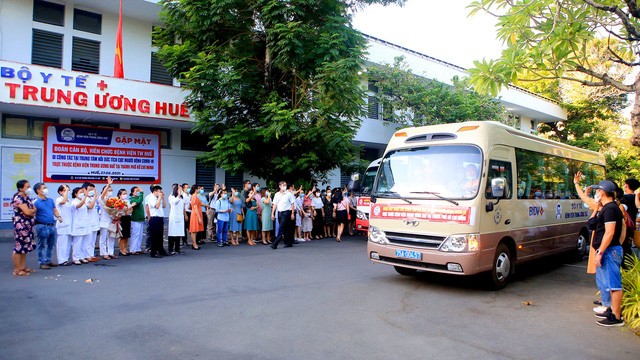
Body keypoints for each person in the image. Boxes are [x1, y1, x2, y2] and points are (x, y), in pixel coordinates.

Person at [590, 180, 625, 327]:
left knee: (614, 285)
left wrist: (601, 252)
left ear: (603, 192)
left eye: (597, 190)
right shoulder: (607, 208)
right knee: (608, 284)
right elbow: (592, 225)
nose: (596, 193)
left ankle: (616, 317)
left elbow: (610, 233)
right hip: (610, 250)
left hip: (609, 251)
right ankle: (611, 310)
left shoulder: (610, 209)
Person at [32, 182, 61, 269]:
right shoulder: (35, 202)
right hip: (41, 226)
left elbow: (54, 210)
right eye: (44, 188)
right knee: (41, 244)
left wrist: (58, 216)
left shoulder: (50, 200)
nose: (46, 189)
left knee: (51, 244)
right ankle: (42, 262)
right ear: (38, 191)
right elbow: (33, 213)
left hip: (52, 225)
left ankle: (48, 260)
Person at [12, 180, 36, 276]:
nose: (29, 188)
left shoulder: (27, 197)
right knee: (19, 246)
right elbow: (28, 212)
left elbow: (34, 209)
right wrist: (31, 211)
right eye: (27, 187)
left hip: (28, 225)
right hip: (21, 225)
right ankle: (17, 270)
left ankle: (23, 267)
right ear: (21, 188)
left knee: (25, 246)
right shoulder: (18, 198)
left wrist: (32, 211)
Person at [271, 181, 296, 249]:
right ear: (280, 186)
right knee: (286, 228)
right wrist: (272, 213)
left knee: (281, 227)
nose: (284, 186)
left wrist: (292, 213)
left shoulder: (289, 194)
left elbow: (292, 204)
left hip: (287, 212)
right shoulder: (277, 194)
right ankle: (289, 242)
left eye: (285, 185)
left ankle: (275, 243)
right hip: (279, 212)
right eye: (283, 185)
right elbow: (274, 204)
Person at [148, 185, 170, 258]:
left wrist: (163, 198)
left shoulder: (158, 198)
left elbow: (164, 206)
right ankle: (153, 252)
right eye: (159, 191)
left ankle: (161, 250)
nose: (160, 193)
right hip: (154, 218)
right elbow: (156, 206)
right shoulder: (151, 198)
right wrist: (160, 197)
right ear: (155, 191)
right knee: (154, 236)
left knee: (160, 235)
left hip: (160, 218)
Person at [98, 180, 118, 260]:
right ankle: (103, 253)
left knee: (111, 237)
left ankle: (110, 252)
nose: (110, 192)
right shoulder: (101, 199)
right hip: (104, 221)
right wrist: (108, 184)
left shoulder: (113, 200)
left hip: (112, 221)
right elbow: (102, 196)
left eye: (111, 190)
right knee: (103, 237)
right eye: (109, 190)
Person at [70, 187, 90, 265]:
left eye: (83, 192)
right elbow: (79, 205)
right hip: (77, 225)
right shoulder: (74, 201)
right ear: (75, 194)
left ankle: (82, 256)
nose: (82, 194)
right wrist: (85, 196)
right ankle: (76, 258)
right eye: (80, 192)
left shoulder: (83, 201)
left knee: (83, 242)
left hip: (84, 224)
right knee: (77, 242)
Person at [55, 185, 73, 266]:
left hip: (69, 224)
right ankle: (61, 260)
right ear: (60, 192)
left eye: (68, 190)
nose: (67, 192)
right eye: (65, 190)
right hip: (62, 224)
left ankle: (66, 259)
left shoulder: (69, 200)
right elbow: (63, 202)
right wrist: (65, 192)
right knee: (62, 243)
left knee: (68, 243)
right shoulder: (59, 199)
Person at [82, 182, 100, 262]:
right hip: (88, 222)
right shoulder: (84, 198)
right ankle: (87, 255)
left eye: (93, 190)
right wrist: (95, 197)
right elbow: (90, 206)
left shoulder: (93, 198)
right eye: (90, 190)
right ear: (84, 190)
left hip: (95, 221)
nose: (92, 191)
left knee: (93, 240)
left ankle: (91, 255)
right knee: (88, 241)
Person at [168, 184, 187, 255]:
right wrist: (178, 195)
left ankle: (177, 248)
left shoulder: (182, 197)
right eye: (179, 188)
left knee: (178, 233)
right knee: (173, 234)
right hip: (174, 217)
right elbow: (175, 202)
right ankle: (170, 249)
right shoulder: (171, 196)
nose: (181, 190)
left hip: (180, 217)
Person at [128, 187, 145, 255]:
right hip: (135, 220)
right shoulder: (132, 199)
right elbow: (139, 201)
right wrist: (141, 193)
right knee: (135, 235)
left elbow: (140, 200)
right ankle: (133, 249)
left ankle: (138, 248)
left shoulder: (137, 198)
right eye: (136, 191)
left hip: (140, 219)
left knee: (140, 235)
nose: (138, 192)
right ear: (133, 192)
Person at [117, 188, 133, 256]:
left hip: (128, 218)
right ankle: (121, 249)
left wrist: (129, 210)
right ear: (120, 195)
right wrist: (126, 210)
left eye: (126, 193)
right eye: (123, 194)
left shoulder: (127, 201)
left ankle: (125, 248)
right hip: (122, 218)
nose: (125, 195)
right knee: (122, 235)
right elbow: (120, 211)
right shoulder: (118, 202)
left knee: (127, 235)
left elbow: (130, 209)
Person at [189, 185, 204, 250]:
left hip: (196, 213)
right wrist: (199, 217)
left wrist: (206, 205)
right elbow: (195, 207)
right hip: (195, 214)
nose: (199, 190)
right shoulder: (194, 196)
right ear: (196, 189)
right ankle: (194, 244)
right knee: (193, 230)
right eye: (198, 189)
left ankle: (194, 243)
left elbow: (199, 204)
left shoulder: (195, 196)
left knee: (195, 230)